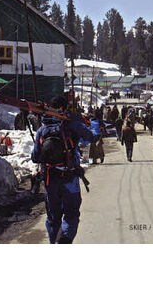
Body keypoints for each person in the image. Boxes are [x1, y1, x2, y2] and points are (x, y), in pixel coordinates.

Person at [31, 96, 95, 244]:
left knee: (53, 218)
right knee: (71, 214)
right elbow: (91, 137)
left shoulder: (42, 130)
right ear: (65, 108)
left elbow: (35, 157)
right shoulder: (72, 124)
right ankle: (65, 238)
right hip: (70, 178)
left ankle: (55, 242)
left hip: (50, 180)